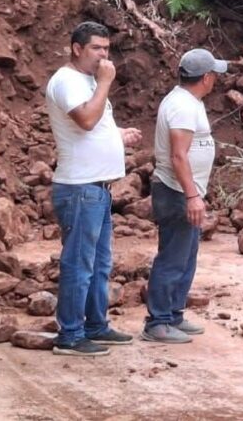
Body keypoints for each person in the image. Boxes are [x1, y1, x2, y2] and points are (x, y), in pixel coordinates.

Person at [46, 21, 143, 357]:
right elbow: (85, 119)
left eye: (107, 49)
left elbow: (93, 128)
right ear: (77, 48)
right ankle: (70, 335)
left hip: (98, 189)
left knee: (100, 264)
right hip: (79, 188)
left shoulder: (87, 81)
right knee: (79, 263)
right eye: (97, 48)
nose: (104, 55)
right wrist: (104, 83)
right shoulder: (68, 81)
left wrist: (118, 136)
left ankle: (94, 325)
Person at [143, 48, 229, 344]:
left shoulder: (188, 102)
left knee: (186, 254)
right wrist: (192, 196)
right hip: (176, 191)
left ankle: (174, 313)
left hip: (184, 191)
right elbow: (179, 156)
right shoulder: (182, 106)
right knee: (173, 256)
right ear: (206, 77)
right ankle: (158, 322)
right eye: (214, 74)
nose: (216, 79)